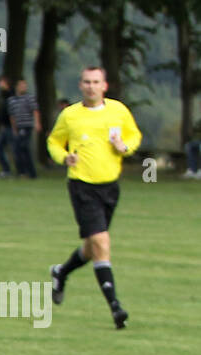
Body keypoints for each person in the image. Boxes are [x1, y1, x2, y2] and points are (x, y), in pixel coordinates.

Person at [47, 66, 142, 329]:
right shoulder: (70, 115)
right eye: (86, 82)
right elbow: (54, 142)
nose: (91, 86)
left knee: (92, 248)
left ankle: (61, 272)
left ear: (104, 86)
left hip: (110, 186)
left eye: (96, 82)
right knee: (102, 241)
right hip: (82, 186)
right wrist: (63, 157)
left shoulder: (118, 111)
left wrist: (126, 147)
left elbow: (133, 135)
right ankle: (115, 307)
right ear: (80, 86)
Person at [7, 78, 41, 179]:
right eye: (21, 85)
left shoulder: (29, 98)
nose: (23, 87)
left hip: (27, 126)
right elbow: (12, 116)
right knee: (18, 149)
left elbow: (35, 111)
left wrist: (37, 123)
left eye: (25, 85)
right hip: (19, 126)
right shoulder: (11, 100)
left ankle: (31, 173)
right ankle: (21, 171)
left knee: (24, 147)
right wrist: (14, 128)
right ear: (16, 87)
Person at [0, 76, 15, 178]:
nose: (0, 85)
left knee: (15, 149)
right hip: (5, 126)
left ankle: (18, 171)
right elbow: (1, 111)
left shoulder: (11, 96)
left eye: (2, 83)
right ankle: (6, 170)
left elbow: (10, 112)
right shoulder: (4, 95)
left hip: (11, 127)